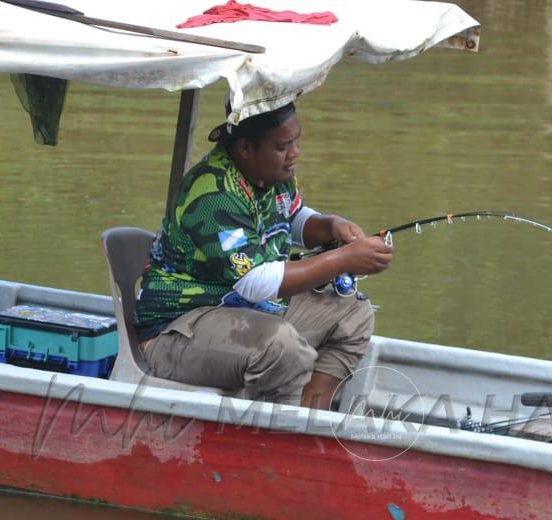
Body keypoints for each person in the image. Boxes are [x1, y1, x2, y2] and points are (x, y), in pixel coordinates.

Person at [134, 101, 393, 409]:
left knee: (353, 314)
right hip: (177, 329)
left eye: (296, 140)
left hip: (240, 309)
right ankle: (280, 436)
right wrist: (343, 260)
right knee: (279, 346)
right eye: (283, 146)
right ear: (245, 148)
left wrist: (331, 226)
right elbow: (254, 281)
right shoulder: (213, 194)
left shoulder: (274, 172)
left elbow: (292, 218)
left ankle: (310, 421)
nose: (295, 152)